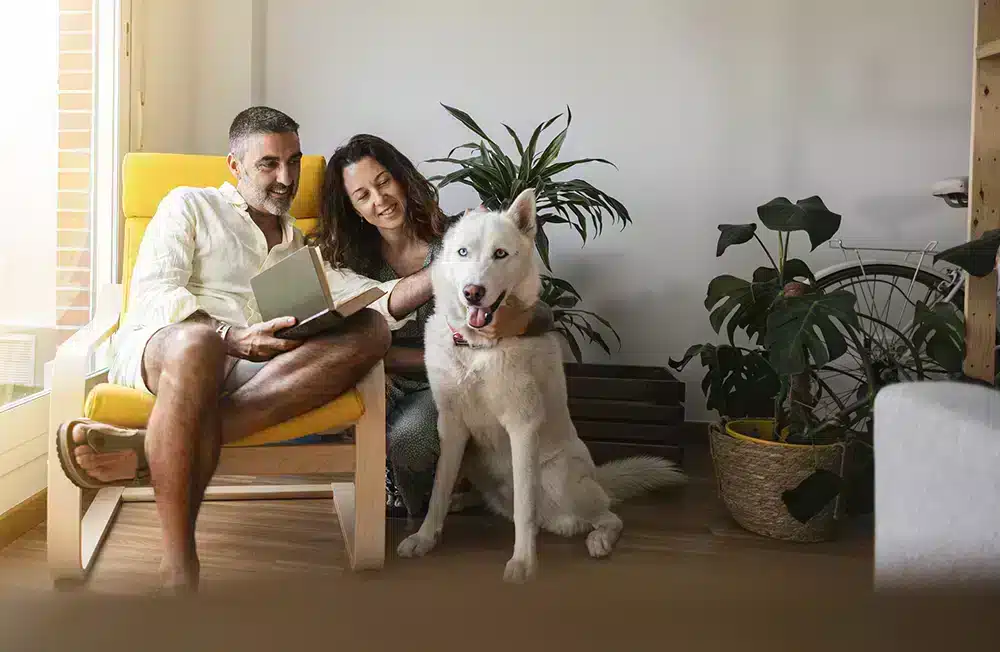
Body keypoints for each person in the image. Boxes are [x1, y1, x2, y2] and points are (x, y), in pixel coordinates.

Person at [54, 107, 391, 592]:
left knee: (371, 331)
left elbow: (362, 296)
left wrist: (443, 274)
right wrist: (229, 337)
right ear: (235, 165)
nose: (286, 178)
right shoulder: (189, 204)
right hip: (170, 349)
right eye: (269, 164)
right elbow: (155, 294)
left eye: (294, 161)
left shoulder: (297, 243)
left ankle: (146, 450)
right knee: (199, 344)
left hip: (253, 368)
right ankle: (178, 567)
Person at [308, 134, 553, 518]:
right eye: (363, 195)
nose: (380, 199)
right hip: (376, 382)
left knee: (409, 443)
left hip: (451, 386)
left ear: (402, 177)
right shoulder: (348, 262)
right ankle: (433, 486)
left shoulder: (461, 237)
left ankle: (439, 496)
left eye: (384, 181)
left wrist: (510, 319)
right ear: (352, 208)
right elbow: (338, 341)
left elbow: (542, 315)